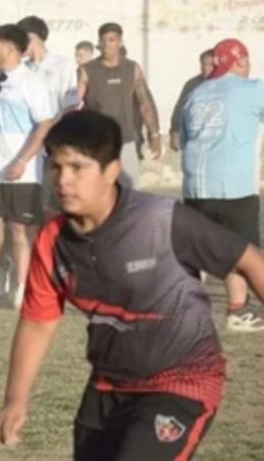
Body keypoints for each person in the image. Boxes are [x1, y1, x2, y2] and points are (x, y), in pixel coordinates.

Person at [0, 109, 264, 460]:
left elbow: (250, 261)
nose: (63, 180)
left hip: (182, 382)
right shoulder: (52, 240)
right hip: (108, 386)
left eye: (77, 168)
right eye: (56, 167)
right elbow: (38, 322)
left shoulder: (160, 220)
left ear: (111, 171)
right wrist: (15, 399)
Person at [0, 24, 56, 308]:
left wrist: (22, 160)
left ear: (11, 49)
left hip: (24, 172)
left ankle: (22, 286)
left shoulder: (32, 82)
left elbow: (44, 124)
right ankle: (3, 264)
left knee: (19, 229)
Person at [180, 38, 264, 332]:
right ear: (240, 61)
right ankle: (238, 310)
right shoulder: (251, 89)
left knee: (197, 252)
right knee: (246, 255)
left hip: (195, 188)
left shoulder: (196, 93)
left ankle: (187, 312)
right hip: (233, 186)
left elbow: (185, 139)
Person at [77, 23, 161, 185]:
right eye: (103, 40)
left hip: (126, 140)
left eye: (112, 40)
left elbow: (144, 103)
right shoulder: (87, 70)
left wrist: (154, 134)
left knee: (130, 190)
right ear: (99, 43)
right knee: (99, 190)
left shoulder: (132, 68)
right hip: (97, 143)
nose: (107, 44)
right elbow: (74, 106)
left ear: (120, 42)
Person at [19, 16, 75, 112]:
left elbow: (71, 103)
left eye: (19, 39)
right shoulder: (20, 68)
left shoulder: (63, 64)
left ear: (31, 37)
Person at [169, 49, 215, 153]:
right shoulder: (193, 84)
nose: (206, 68)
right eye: (203, 64)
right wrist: (175, 132)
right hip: (195, 136)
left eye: (210, 65)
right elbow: (180, 109)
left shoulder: (226, 85)